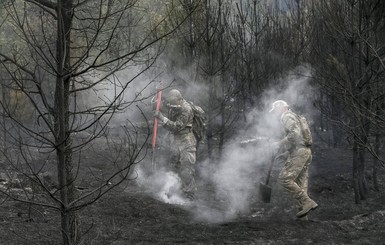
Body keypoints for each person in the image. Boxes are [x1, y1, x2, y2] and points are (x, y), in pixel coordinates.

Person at [269, 100, 318, 219]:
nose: (275, 113)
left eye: (275, 110)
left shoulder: (286, 116)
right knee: (301, 184)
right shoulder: (295, 116)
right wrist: (286, 153)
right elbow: (300, 138)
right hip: (305, 151)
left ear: (282, 107)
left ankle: (307, 202)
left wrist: (279, 144)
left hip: (299, 153)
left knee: (284, 179)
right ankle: (304, 218)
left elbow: (294, 134)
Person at [154, 89, 197, 201]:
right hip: (175, 141)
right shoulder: (174, 106)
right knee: (173, 167)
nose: (172, 104)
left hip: (187, 142)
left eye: (174, 101)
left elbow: (176, 126)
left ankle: (188, 195)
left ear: (180, 99)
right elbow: (168, 108)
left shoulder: (186, 109)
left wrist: (162, 118)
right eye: (171, 102)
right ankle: (174, 190)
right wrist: (158, 103)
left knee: (187, 169)